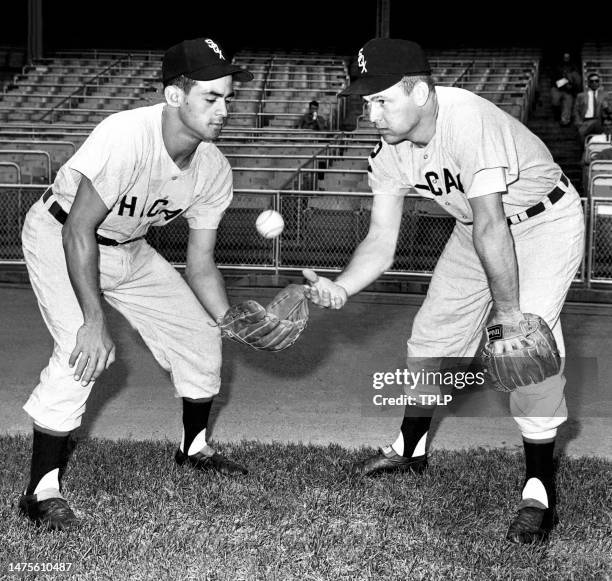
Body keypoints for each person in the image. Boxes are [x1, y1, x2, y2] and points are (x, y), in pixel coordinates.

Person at [303, 38, 585, 545]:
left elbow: (493, 225)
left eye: (381, 100)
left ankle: (539, 489)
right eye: (366, 101)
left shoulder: (466, 119)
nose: (371, 114)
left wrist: (508, 317)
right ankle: (411, 449)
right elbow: (381, 239)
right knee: (432, 338)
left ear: (421, 92)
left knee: (529, 348)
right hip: (472, 226)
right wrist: (342, 287)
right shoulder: (389, 150)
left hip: (542, 221)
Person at [18, 37, 266, 531]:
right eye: (211, 97)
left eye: (228, 98)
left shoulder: (213, 167)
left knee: (200, 337)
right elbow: (77, 230)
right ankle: (40, 491)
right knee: (80, 350)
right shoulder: (127, 135)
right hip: (61, 232)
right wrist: (93, 320)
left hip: (129, 249)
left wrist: (229, 320)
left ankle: (193, 449)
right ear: (175, 96)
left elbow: (200, 263)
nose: (224, 109)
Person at [574, 72, 611, 144]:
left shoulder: (604, 95)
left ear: (599, 83)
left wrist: (606, 107)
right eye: (592, 81)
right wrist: (579, 123)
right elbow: (576, 110)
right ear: (588, 83)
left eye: (596, 81)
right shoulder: (581, 95)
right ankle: (585, 152)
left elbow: (610, 111)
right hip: (585, 122)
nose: (594, 83)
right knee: (581, 134)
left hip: (599, 121)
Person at [550, 52, 582, 127]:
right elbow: (554, 79)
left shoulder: (573, 68)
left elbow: (576, 81)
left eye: (568, 57)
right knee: (555, 101)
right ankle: (557, 115)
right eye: (565, 57)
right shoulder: (557, 67)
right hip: (557, 88)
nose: (566, 59)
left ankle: (565, 121)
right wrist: (565, 81)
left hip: (568, 90)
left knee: (568, 103)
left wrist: (571, 85)